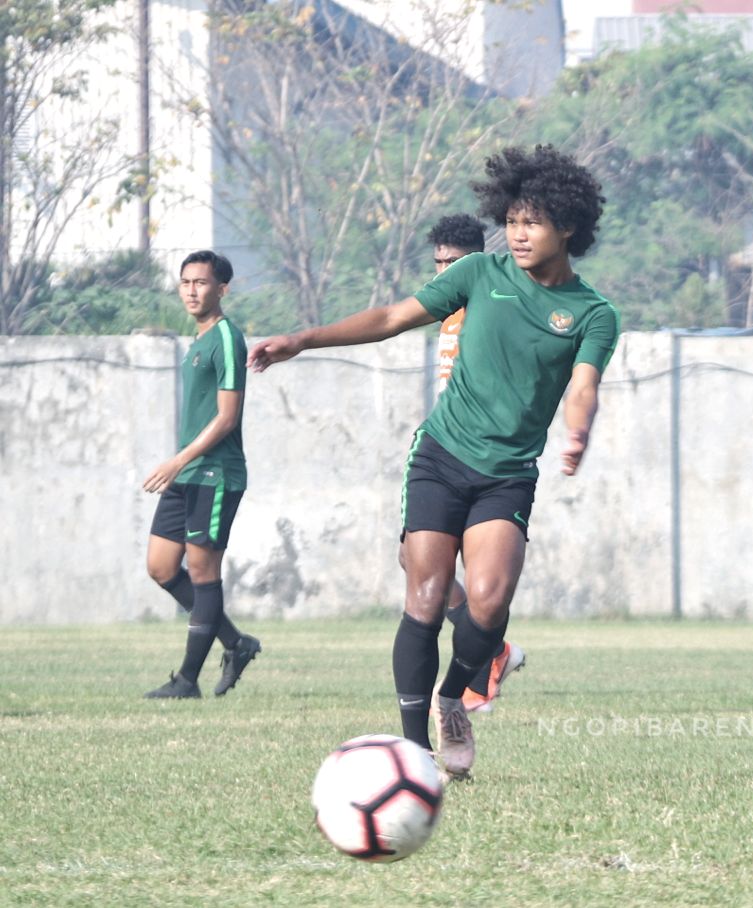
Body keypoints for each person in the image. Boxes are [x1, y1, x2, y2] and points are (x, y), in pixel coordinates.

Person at [249, 145, 619, 780]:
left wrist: (578, 432)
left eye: (533, 221)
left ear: (569, 228)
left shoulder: (593, 314)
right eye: (512, 219)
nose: (518, 232)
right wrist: (303, 339)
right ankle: (414, 752)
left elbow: (583, 386)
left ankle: (454, 699)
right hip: (442, 458)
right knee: (423, 598)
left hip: (506, 474)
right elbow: (393, 317)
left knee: (489, 603)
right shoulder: (479, 273)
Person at [420, 213, 527, 714]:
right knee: (420, 569)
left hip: (488, 461)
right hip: (443, 448)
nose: (443, 272)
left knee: (477, 581)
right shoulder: (447, 310)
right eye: (437, 262)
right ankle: (495, 650)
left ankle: (483, 660)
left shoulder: (491, 307)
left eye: (453, 263)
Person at [143, 250, 261, 699]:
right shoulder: (198, 341)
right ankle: (235, 642)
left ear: (222, 289)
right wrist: (179, 465)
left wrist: (177, 460)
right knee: (159, 566)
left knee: (201, 570)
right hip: (187, 472)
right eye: (185, 282)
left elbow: (227, 418)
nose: (192, 290)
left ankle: (187, 680)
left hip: (215, 473)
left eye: (202, 283)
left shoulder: (228, 339)